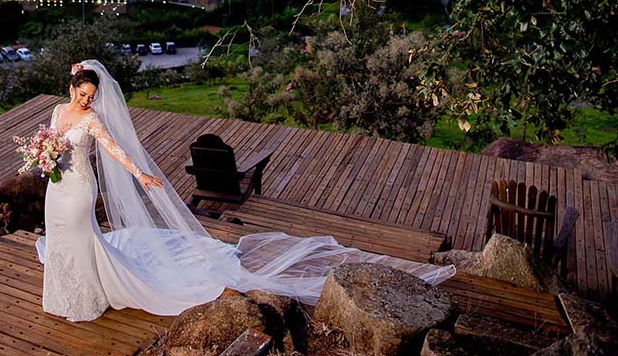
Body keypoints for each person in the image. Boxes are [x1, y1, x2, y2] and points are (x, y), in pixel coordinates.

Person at [35, 59, 455, 322]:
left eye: (93, 96)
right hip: (58, 187)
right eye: (84, 94)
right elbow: (49, 141)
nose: (88, 101)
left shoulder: (93, 122)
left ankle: (89, 296)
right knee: (60, 241)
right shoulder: (58, 111)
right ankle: (63, 294)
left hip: (81, 190)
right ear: (72, 90)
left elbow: (114, 149)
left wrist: (140, 175)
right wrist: (44, 157)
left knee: (82, 235)